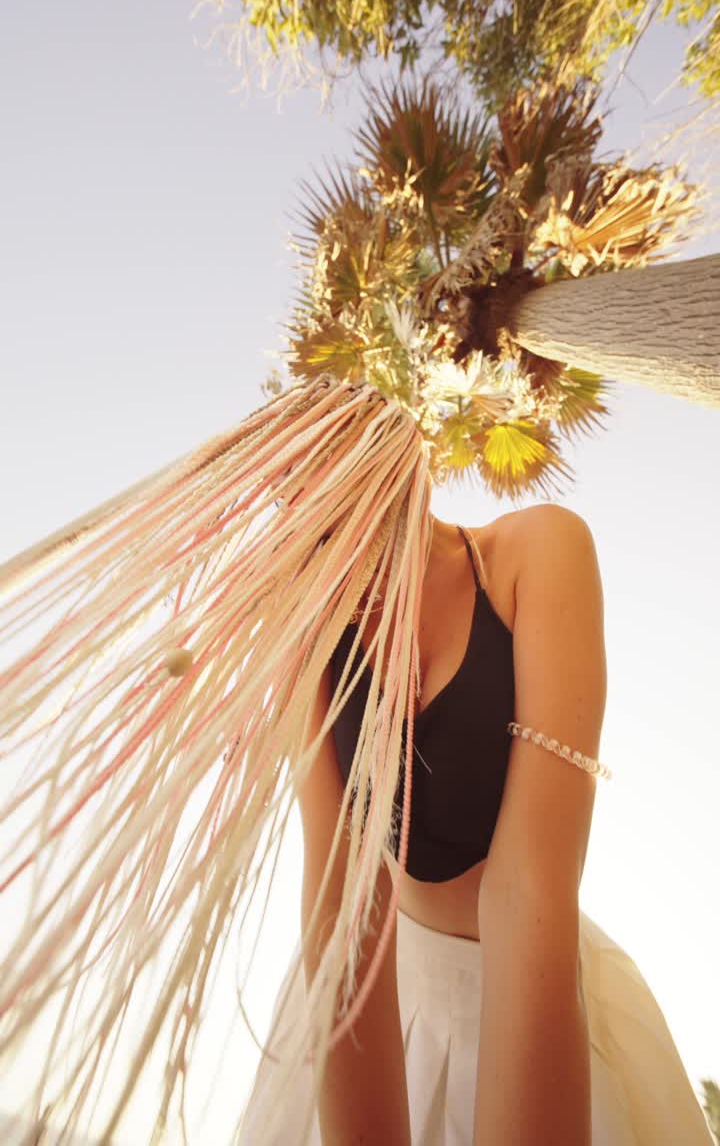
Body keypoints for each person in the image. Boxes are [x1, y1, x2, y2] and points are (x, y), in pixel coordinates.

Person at [0, 373, 712, 1145]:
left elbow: (526, 884)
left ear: (408, 472)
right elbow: (342, 897)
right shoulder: (307, 626)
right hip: (376, 997)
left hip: (538, 986)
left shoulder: (534, 552)